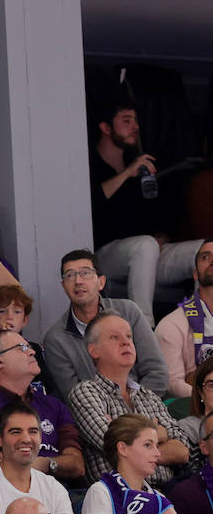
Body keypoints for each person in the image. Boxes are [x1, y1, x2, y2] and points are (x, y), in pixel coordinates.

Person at [89, 99, 202, 329]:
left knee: (206, 250)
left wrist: (162, 235)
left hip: (146, 255)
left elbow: (152, 217)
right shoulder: (91, 164)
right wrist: (128, 173)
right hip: (105, 258)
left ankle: (203, 329)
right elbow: (95, 200)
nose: (135, 127)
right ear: (106, 127)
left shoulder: (138, 170)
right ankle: (145, 331)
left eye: (136, 121)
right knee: (145, 245)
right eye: (127, 121)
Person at [68, 310, 191, 484]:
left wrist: (135, 445)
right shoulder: (85, 392)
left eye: (129, 336)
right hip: (121, 499)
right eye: (114, 337)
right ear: (94, 350)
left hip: (168, 494)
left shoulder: (148, 396)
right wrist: (159, 434)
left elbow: (183, 451)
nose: (126, 342)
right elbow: (114, 446)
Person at [43, 250, 167, 399]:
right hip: (96, 417)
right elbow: (74, 397)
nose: (78, 281)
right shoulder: (56, 339)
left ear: (101, 282)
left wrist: (133, 410)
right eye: (70, 275)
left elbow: (157, 373)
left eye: (85, 273)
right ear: (63, 286)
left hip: (143, 409)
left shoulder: (128, 312)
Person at [0, 331, 83, 477]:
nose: (32, 351)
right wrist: (57, 464)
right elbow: (11, 465)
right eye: (21, 347)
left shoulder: (53, 404)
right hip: (14, 494)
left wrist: (46, 463)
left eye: (29, 346)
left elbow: (77, 465)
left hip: (64, 492)